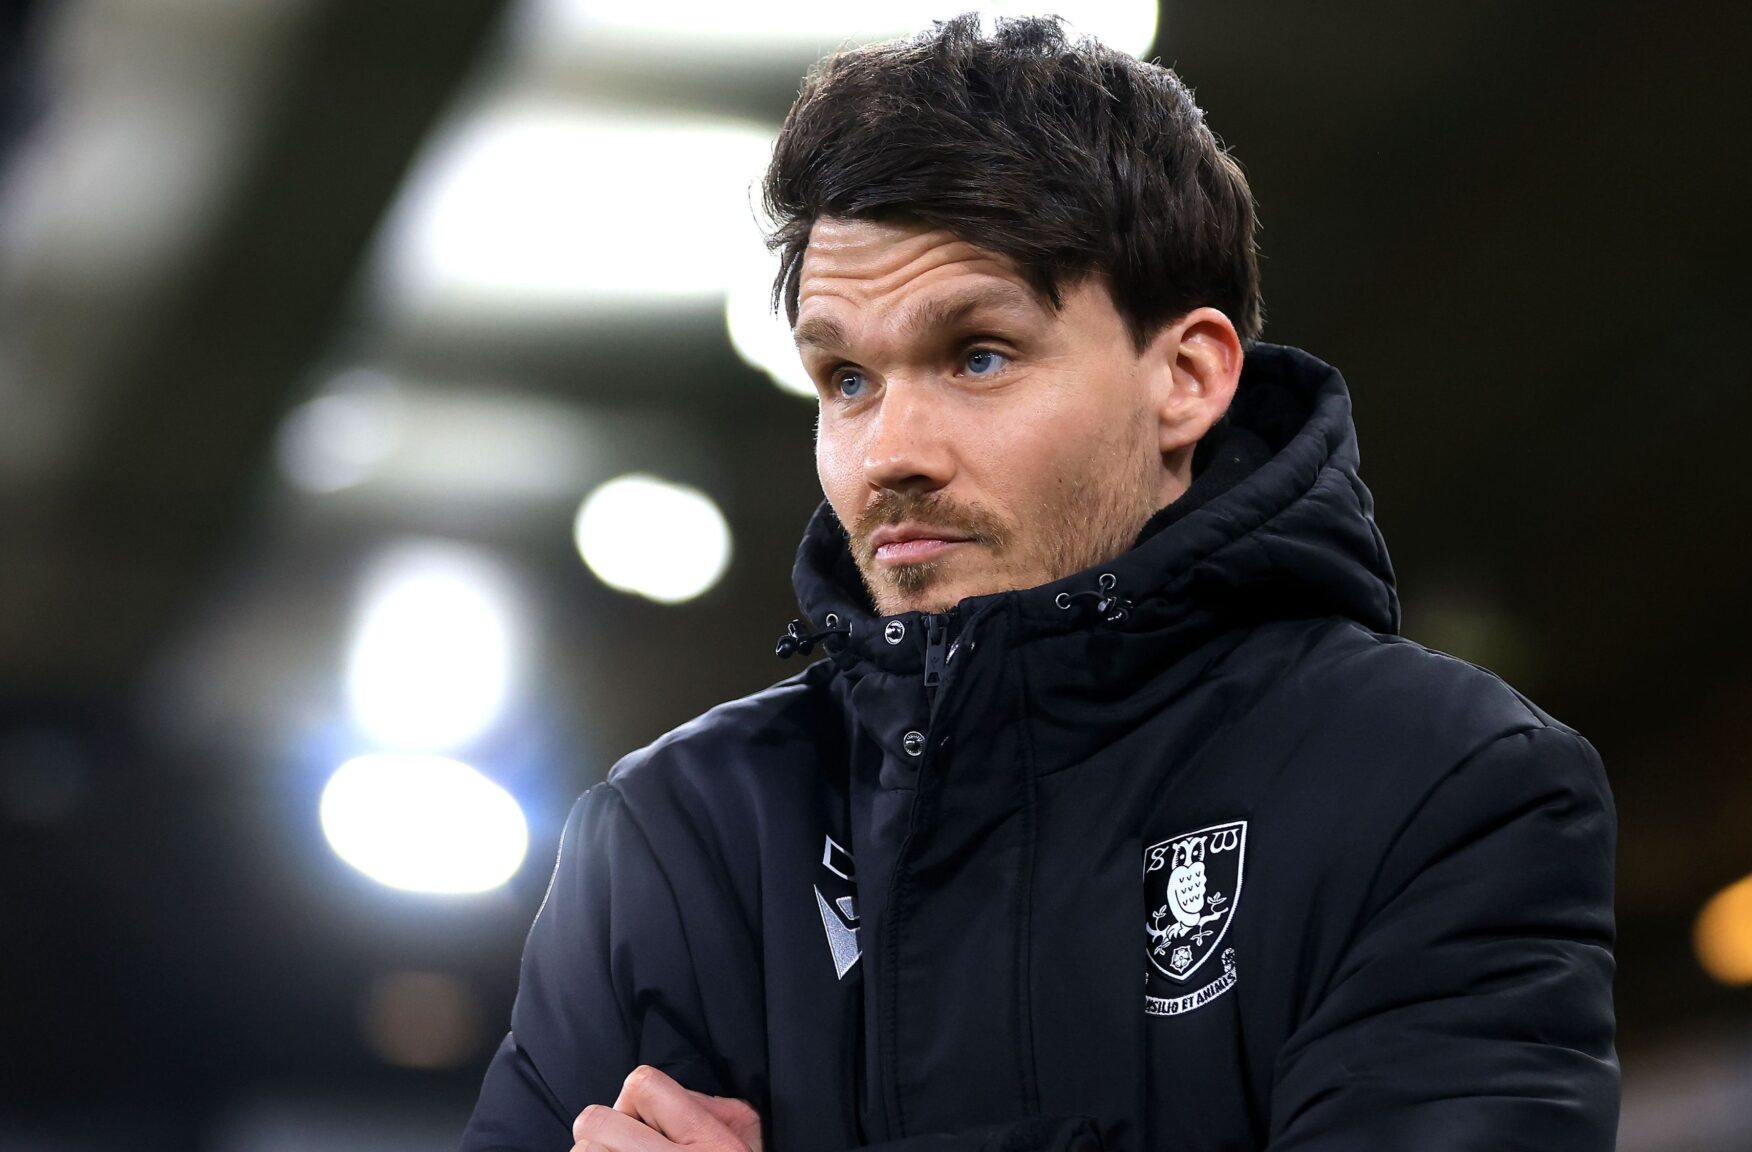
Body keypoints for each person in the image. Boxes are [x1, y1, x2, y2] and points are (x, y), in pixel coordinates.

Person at [460, 14, 1619, 1152]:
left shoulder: (1442, 784)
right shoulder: (676, 835)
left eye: (977, 355)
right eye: (847, 378)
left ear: (1186, 376)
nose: (887, 453)